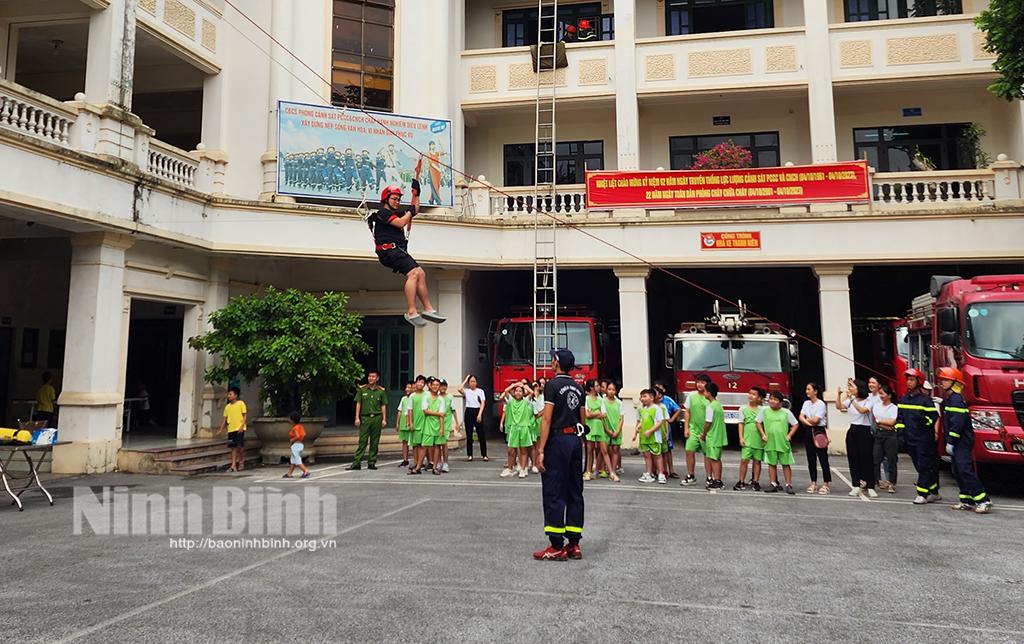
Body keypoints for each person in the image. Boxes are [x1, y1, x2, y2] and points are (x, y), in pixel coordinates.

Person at [533, 348, 586, 561]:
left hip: (558, 440)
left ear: (556, 362)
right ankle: (574, 543)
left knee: (554, 490)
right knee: (574, 490)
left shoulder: (552, 385)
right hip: (575, 440)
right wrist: (580, 443)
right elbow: (583, 419)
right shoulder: (578, 388)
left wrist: (541, 450)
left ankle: (556, 545)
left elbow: (546, 419)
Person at [369, 181, 445, 328]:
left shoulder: (395, 213)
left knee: (420, 273)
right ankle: (411, 311)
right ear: (386, 199)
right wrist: (409, 212)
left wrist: (416, 194)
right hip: (388, 251)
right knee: (413, 274)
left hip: (396, 251)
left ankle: (428, 309)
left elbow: (414, 210)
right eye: (394, 199)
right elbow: (400, 223)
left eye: (398, 199)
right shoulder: (383, 213)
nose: (397, 202)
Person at [938, 367, 992, 514]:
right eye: (942, 379)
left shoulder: (955, 400)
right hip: (958, 442)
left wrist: (951, 441)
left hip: (961, 442)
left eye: (946, 380)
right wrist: (942, 402)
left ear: (954, 382)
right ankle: (966, 500)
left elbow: (957, 423)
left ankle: (983, 500)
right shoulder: (951, 399)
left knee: (964, 471)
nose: (942, 382)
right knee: (958, 471)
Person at [897, 368, 941, 505]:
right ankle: (934, 491)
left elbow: (933, 417)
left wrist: (923, 422)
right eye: (907, 380)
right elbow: (900, 418)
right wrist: (900, 433)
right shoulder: (904, 399)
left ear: (919, 382)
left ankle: (922, 494)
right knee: (919, 465)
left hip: (923, 439)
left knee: (923, 465)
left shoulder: (925, 400)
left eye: (911, 380)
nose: (909, 382)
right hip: (909, 439)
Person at [836, 378, 877, 498]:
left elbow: (862, 411)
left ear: (859, 388)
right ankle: (856, 485)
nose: (849, 388)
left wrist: (852, 399)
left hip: (864, 431)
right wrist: (839, 395)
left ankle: (870, 486)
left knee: (867, 459)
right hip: (853, 430)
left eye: (852, 386)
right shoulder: (850, 400)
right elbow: (839, 407)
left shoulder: (869, 400)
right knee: (853, 458)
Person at [758, 391, 798, 494]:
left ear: (780, 402)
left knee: (786, 464)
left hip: (783, 442)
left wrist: (789, 435)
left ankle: (788, 485)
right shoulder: (764, 411)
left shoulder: (786, 412)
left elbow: (795, 424)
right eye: (771, 399)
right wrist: (763, 434)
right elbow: (758, 422)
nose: (772, 401)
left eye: (775, 399)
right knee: (772, 463)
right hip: (770, 442)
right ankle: (773, 484)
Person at [349, 371, 387, 471]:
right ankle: (357, 463)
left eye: (373, 376)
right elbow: (358, 404)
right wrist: (357, 418)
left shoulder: (381, 391)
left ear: (377, 378)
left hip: (377, 417)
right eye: (369, 376)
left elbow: (383, 405)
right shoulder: (362, 390)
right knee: (362, 440)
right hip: (365, 418)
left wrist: (384, 419)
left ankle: (372, 462)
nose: (371, 378)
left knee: (375, 441)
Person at [800, 382, 831, 495]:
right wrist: (809, 422)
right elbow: (800, 417)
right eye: (806, 389)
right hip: (809, 431)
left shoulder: (821, 404)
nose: (807, 391)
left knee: (823, 458)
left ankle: (826, 483)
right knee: (811, 458)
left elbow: (816, 420)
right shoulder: (806, 403)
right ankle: (813, 483)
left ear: (815, 391)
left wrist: (807, 421)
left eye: (809, 389)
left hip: (819, 431)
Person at [681, 374, 712, 487]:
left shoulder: (710, 397)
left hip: (706, 431)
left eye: (702, 383)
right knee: (689, 451)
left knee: (707, 454)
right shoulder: (691, 395)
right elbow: (687, 411)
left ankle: (709, 477)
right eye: (698, 382)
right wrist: (686, 428)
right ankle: (690, 475)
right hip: (693, 429)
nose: (699, 384)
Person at [500, 382, 534, 479]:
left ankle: (523, 469)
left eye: (520, 391)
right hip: (514, 428)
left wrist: (524, 386)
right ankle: (510, 468)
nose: (518, 393)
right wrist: (514, 385)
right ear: (514, 393)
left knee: (523, 450)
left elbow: (531, 393)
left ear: (523, 393)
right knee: (511, 450)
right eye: (516, 391)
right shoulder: (511, 401)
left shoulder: (525, 401)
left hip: (524, 428)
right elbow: (506, 391)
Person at [583, 380, 615, 481]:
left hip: (600, 427)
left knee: (604, 450)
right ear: (591, 388)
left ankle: (611, 472)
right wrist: (597, 413)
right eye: (596, 386)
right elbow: (587, 415)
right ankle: (588, 471)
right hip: (591, 427)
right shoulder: (586, 399)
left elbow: (604, 414)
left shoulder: (601, 400)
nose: (599, 387)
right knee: (590, 450)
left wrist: (593, 413)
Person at [735, 387, 766, 491]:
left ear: (759, 398)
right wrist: (741, 437)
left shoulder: (762, 410)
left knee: (757, 461)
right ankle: (741, 481)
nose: (751, 396)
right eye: (750, 393)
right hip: (747, 438)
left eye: (754, 394)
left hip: (758, 439)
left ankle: (756, 481)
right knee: (744, 460)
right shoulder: (743, 408)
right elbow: (741, 423)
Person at [872, 382, 900, 494]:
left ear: (889, 395)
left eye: (883, 394)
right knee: (876, 459)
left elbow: (892, 422)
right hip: (879, 434)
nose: (881, 396)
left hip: (890, 435)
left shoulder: (894, 408)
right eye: (880, 394)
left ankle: (891, 482)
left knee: (891, 459)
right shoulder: (877, 406)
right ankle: (876, 480)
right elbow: (876, 421)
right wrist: (883, 423)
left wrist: (880, 422)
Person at [699, 383, 728, 490]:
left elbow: (708, 422)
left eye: (705, 391)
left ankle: (718, 481)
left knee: (714, 459)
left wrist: (703, 434)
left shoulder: (710, 407)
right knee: (717, 458)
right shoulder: (718, 405)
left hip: (713, 436)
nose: (704, 393)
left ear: (709, 393)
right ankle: (717, 479)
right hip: (719, 435)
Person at [634, 388, 666, 484]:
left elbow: (660, 422)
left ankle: (661, 474)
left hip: (654, 437)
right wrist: (638, 428)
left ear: (651, 398)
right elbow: (641, 421)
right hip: (644, 438)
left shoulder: (656, 409)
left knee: (657, 455)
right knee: (647, 456)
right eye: (641, 397)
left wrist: (650, 431)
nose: (642, 398)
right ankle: (649, 473)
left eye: (645, 396)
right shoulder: (642, 410)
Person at [654, 383, 682, 479]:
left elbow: (678, 409)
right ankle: (658, 470)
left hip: (665, 426)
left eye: (660, 388)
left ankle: (671, 471)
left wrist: (671, 419)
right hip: (655, 427)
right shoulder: (652, 401)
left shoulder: (667, 400)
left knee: (667, 450)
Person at [458, 374, 488, 462]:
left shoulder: (480, 391)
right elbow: (459, 389)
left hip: (477, 411)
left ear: (476, 382)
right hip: (469, 411)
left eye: (474, 381)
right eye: (471, 381)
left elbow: (483, 403)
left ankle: (484, 455)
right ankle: (470, 455)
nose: (472, 383)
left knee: (481, 434)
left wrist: (480, 414)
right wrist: (466, 379)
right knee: (469, 434)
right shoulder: (467, 391)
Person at [421, 377, 447, 476]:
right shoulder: (426, 397)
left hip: (437, 425)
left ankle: (435, 467)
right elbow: (425, 411)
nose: (435, 387)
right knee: (424, 446)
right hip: (428, 424)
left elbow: (442, 415)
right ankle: (418, 466)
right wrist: (438, 414)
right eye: (434, 385)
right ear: (430, 386)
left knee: (437, 446)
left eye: (437, 385)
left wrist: (442, 428)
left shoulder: (441, 399)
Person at [220, 386, 247, 472]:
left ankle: (241, 461)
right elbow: (225, 419)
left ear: (235, 395)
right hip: (231, 429)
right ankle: (233, 465)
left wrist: (242, 426)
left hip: (239, 429)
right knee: (233, 447)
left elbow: (244, 416)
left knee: (239, 446)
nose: (228, 396)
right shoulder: (227, 407)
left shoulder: (241, 403)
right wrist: (221, 429)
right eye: (228, 394)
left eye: (230, 394)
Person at [602, 382, 624, 477]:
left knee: (615, 450)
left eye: (613, 390)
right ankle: (606, 468)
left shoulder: (619, 403)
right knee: (605, 450)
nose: (611, 391)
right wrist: (607, 430)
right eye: (609, 389)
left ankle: (613, 470)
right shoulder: (602, 401)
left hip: (616, 430)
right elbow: (602, 417)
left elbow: (621, 418)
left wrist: (618, 431)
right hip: (606, 430)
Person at [407, 375, 428, 474]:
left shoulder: (427, 395)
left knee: (422, 445)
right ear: (415, 383)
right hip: (415, 423)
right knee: (415, 445)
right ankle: (416, 463)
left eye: (422, 382)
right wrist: (410, 422)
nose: (420, 384)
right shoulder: (412, 396)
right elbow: (410, 410)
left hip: (425, 422)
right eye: (418, 382)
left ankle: (420, 464)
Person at [283, 411, 311, 479]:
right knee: (293, 460)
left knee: (297, 459)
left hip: (296, 445)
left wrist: (292, 440)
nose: (289, 420)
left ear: (293, 420)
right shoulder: (300, 426)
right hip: (299, 445)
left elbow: (298, 436)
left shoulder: (295, 428)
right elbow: (303, 434)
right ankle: (289, 473)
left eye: (290, 419)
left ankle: (305, 471)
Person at [439, 379, 460, 473]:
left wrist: (457, 423)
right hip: (436, 423)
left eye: (444, 385)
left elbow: (453, 410)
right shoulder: (437, 397)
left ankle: (445, 463)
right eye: (441, 385)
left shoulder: (450, 397)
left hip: (446, 423)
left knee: (444, 443)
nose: (442, 387)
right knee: (437, 444)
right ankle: (438, 462)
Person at [396, 381, 414, 467]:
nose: (407, 389)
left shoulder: (414, 398)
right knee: (404, 442)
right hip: (403, 423)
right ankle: (405, 460)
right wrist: (397, 423)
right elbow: (400, 411)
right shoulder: (403, 399)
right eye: (406, 387)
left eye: (409, 387)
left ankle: (417, 461)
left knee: (414, 443)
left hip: (411, 423)